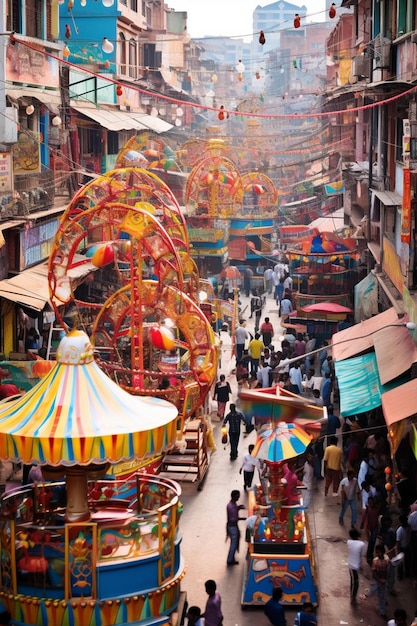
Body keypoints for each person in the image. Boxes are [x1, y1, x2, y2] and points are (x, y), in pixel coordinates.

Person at [369, 544, 390, 619]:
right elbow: (374, 573)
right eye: (376, 552)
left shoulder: (387, 560)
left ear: (383, 552)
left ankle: (382, 610)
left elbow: (388, 570)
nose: (377, 554)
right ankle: (382, 610)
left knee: (381, 594)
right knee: (377, 593)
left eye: (379, 552)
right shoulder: (375, 561)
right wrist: (379, 580)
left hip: (383, 580)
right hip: (378, 579)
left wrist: (385, 579)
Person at [226, 490, 245, 565]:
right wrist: (242, 519)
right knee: (233, 544)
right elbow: (233, 519)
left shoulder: (231, 504)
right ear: (234, 496)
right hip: (233, 527)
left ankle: (231, 558)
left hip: (230, 526)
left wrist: (238, 508)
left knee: (234, 542)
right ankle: (230, 560)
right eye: (237, 496)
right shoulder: (232, 507)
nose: (238, 498)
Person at [347, 527, 366, 604]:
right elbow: (363, 554)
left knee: (353, 581)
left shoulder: (349, 542)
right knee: (355, 582)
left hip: (351, 565)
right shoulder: (362, 544)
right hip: (355, 565)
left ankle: (353, 596)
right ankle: (353, 598)